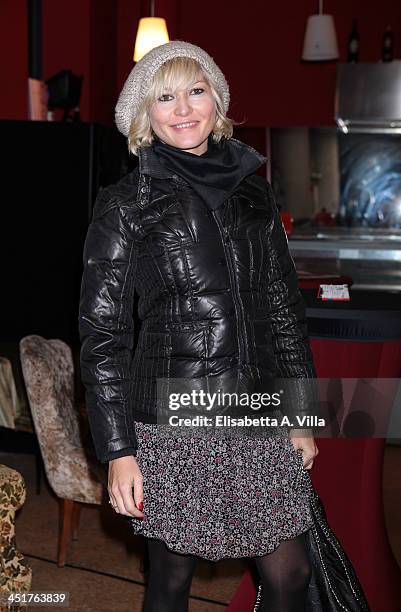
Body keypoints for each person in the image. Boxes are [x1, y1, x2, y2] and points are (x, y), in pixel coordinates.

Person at [78, 40, 319, 612]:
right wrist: (119, 451)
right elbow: (103, 335)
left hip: (258, 408)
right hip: (172, 417)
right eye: (165, 97)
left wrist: (301, 415)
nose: (183, 109)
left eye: (196, 90)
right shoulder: (124, 203)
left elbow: (283, 310)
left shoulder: (254, 189)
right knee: (170, 578)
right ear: (144, 114)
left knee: (289, 571)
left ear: (217, 101)